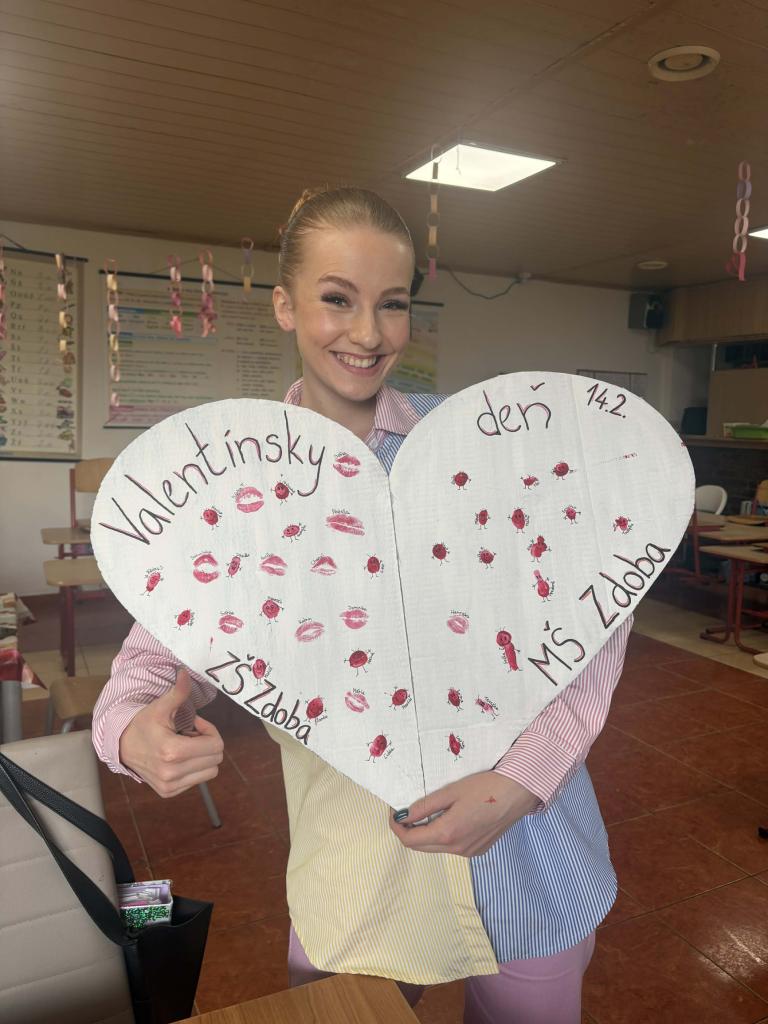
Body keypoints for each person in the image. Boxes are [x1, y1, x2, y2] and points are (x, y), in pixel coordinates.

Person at [93, 187, 631, 1024]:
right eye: (337, 299)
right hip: (355, 866)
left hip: (526, 854)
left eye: (393, 304)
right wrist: (134, 734)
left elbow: (599, 606)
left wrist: (524, 781)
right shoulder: (235, 486)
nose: (369, 333)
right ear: (285, 305)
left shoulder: (476, 441)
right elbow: (145, 668)